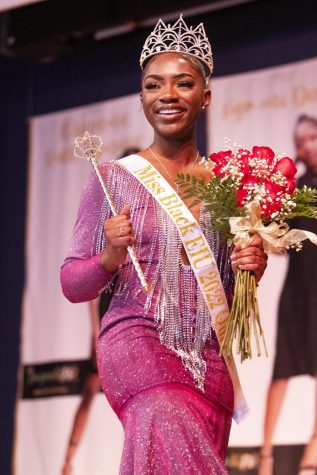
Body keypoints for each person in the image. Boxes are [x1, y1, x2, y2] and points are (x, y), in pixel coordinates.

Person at [61, 16, 267, 474]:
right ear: (142, 98)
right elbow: (73, 283)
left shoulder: (229, 185)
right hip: (138, 344)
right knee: (164, 411)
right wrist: (109, 257)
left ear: (206, 96)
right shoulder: (114, 179)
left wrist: (252, 267)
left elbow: (227, 287)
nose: (168, 95)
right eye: (154, 86)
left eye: (183, 83)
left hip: (210, 360)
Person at [259, 115, 317, 475]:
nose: (305, 146)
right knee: (282, 366)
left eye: (311, 137)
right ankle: (265, 453)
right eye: (299, 141)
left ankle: (315, 441)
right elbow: (282, 244)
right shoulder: (294, 188)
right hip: (297, 285)